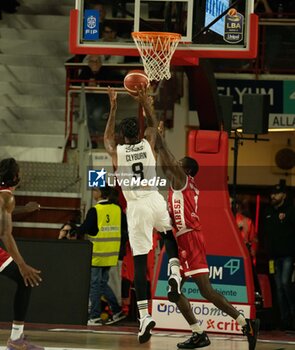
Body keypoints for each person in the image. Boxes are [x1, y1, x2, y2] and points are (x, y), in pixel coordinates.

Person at [140, 89, 260, 350]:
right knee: (174, 292)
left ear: (186, 169)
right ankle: (199, 332)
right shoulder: (177, 181)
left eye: (179, 162)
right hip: (179, 239)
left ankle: (244, 322)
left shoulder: (183, 180)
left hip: (190, 238)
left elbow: (163, 151)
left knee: (206, 291)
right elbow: (161, 156)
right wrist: (154, 133)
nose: (175, 163)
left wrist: (149, 108)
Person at [104, 87, 182, 344]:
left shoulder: (118, 152)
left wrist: (114, 106)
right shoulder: (148, 143)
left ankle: (144, 316)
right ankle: (174, 272)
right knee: (169, 235)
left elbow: (106, 139)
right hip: (155, 198)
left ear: (121, 137)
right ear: (137, 134)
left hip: (136, 207)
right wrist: (144, 102)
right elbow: (152, 123)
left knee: (139, 262)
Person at [0, 158, 43, 350]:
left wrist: (23, 210)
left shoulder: (4, 197)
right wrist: (22, 264)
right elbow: (5, 234)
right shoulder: (7, 197)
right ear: (16, 177)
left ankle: (16, 338)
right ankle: (16, 340)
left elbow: (3, 213)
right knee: (25, 280)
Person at [70, 185, 126, 325]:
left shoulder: (96, 210)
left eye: (95, 190)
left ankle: (95, 316)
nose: (93, 192)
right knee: (101, 284)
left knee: (95, 285)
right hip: (111, 253)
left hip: (98, 253)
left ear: (100, 193)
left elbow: (85, 229)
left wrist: (73, 227)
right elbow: (124, 227)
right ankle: (117, 311)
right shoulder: (117, 209)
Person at [264, 183, 295, 331]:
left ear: (284, 195)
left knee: (285, 284)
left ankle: (293, 317)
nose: (273, 196)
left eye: (276, 194)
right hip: (273, 257)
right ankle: (284, 321)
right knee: (278, 289)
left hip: (288, 255)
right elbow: (265, 234)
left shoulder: (291, 211)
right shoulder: (268, 211)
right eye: (272, 194)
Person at [78, 55, 122, 139]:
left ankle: (99, 133)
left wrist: (98, 84)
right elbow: (77, 83)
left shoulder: (106, 71)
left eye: (97, 61)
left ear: (101, 62)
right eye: (92, 61)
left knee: (96, 115)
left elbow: (115, 82)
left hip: (103, 101)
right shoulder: (85, 71)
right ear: (88, 63)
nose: (94, 64)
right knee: (84, 113)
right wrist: (87, 84)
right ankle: (91, 137)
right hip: (90, 99)